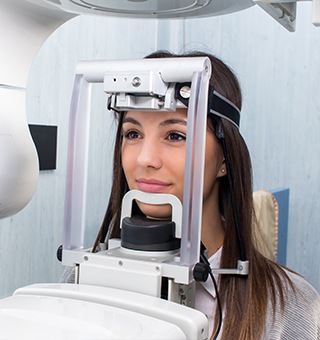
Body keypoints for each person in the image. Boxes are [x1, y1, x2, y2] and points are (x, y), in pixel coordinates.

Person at [87, 50, 320, 339]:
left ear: (224, 159)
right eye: (132, 134)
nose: (145, 159)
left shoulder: (290, 306)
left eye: (175, 136)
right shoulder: (82, 278)